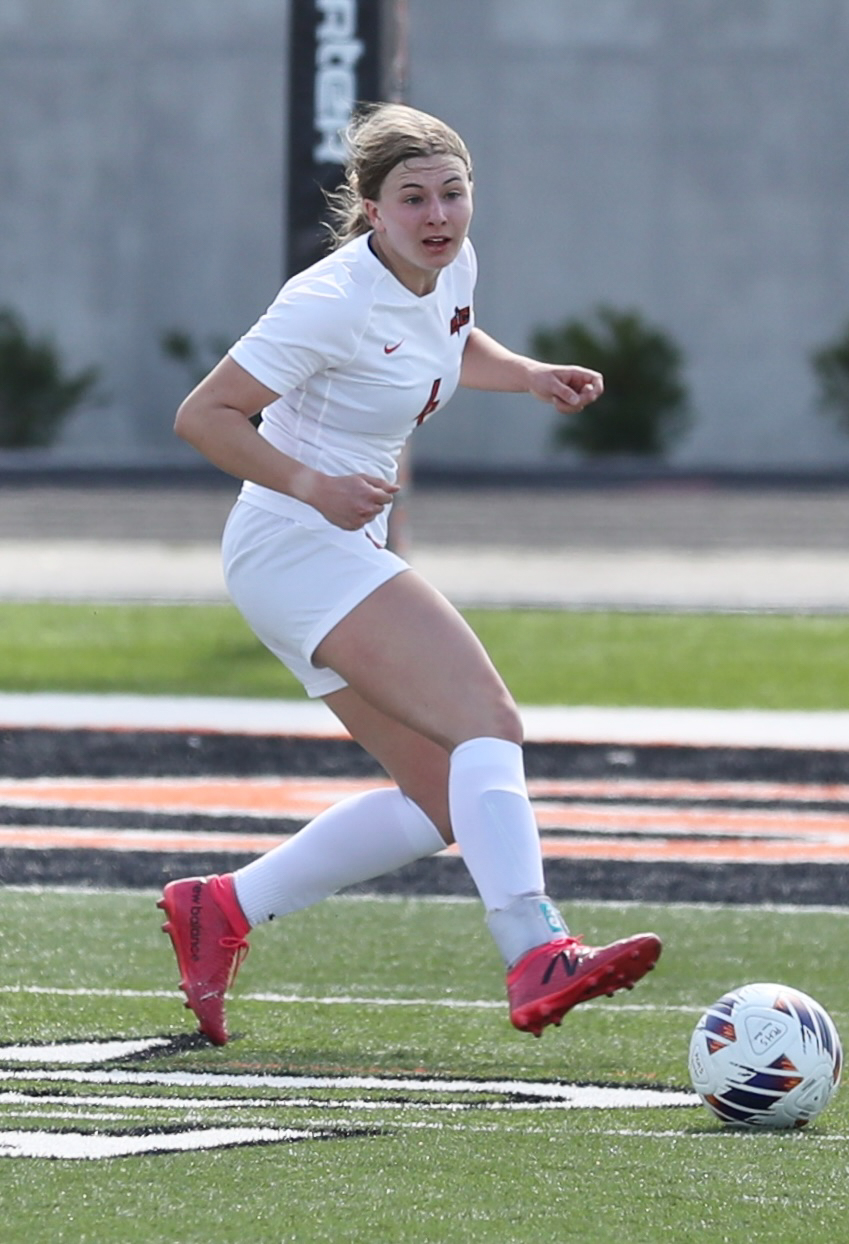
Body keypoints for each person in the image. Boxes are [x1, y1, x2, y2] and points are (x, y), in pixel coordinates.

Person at [158, 102, 661, 1046]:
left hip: (321, 551)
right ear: (372, 210)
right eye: (413, 198)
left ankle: (220, 907)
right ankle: (536, 950)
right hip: (295, 544)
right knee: (488, 722)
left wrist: (528, 374)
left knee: (437, 799)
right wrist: (313, 484)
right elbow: (204, 415)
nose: (438, 215)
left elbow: (449, 340)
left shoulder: (450, 266)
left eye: (452, 193)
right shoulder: (330, 299)